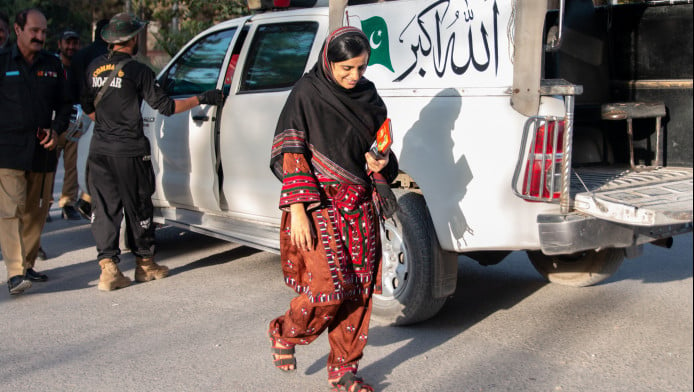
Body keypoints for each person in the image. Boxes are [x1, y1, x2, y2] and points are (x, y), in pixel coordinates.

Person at [267, 27, 398, 392]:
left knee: (358, 292)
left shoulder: (369, 97)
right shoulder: (307, 94)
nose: (355, 77)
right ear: (329, 62)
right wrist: (296, 210)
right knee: (327, 288)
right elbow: (292, 153)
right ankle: (286, 331)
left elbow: (381, 149)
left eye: (361, 68)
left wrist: (381, 160)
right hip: (316, 205)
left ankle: (344, 370)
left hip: (359, 206)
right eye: (347, 69)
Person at [81, 12, 224, 291]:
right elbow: (167, 107)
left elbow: (88, 108)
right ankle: (145, 266)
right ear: (132, 39)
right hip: (130, 151)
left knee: (105, 208)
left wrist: (109, 127)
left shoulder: (93, 68)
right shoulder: (139, 71)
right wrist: (202, 98)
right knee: (138, 206)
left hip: (100, 151)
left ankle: (108, 269)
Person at [0, 8, 72, 294]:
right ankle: (16, 273)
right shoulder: (2, 62)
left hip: (43, 150)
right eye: (34, 31)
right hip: (8, 151)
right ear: (18, 30)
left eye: (43, 32)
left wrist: (56, 130)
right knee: (10, 211)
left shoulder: (53, 65)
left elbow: (66, 104)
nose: (40, 37)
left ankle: (28, 264)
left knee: (36, 212)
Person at [70, 18, 109, 221]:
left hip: (79, 109)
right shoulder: (106, 57)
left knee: (80, 155)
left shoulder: (79, 56)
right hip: (98, 112)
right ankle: (86, 200)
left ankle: (79, 199)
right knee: (96, 156)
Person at [55, 30, 82, 220]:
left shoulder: (79, 67)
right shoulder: (51, 65)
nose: (71, 47)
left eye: (75, 43)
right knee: (48, 165)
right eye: (67, 43)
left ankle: (68, 203)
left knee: (72, 166)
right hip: (53, 122)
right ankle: (44, 201)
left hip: (75, 123)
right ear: (59, 44)